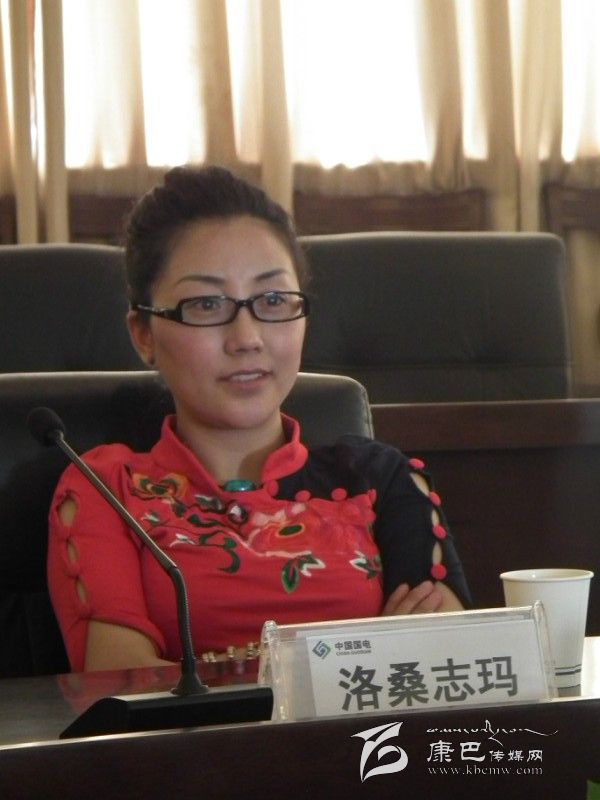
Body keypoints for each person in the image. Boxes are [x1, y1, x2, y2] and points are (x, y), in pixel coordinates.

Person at [48, 165, 471, 673]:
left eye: (272, 300)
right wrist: (361, 656)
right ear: (143, 334)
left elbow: (443, 664)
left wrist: (201, 673)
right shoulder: (106, 488)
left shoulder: (380, 479)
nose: (247, 338)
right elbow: (124, 684)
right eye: (206, 304)